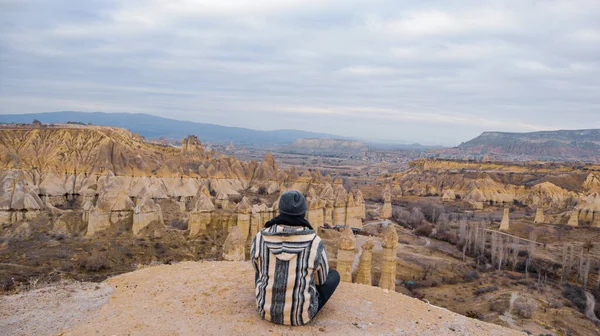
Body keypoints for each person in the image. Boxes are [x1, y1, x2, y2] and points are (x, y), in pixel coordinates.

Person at [250, 190, 340, 326]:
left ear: (280, 210)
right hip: (301, 316)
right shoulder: (315, 242)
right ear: (304, 212)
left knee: (261, 269)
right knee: (334, 275)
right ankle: (300, 302)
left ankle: (269, 298)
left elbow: (257, 268)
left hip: (265, 311)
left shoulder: (260, 237)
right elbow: (320, 281)